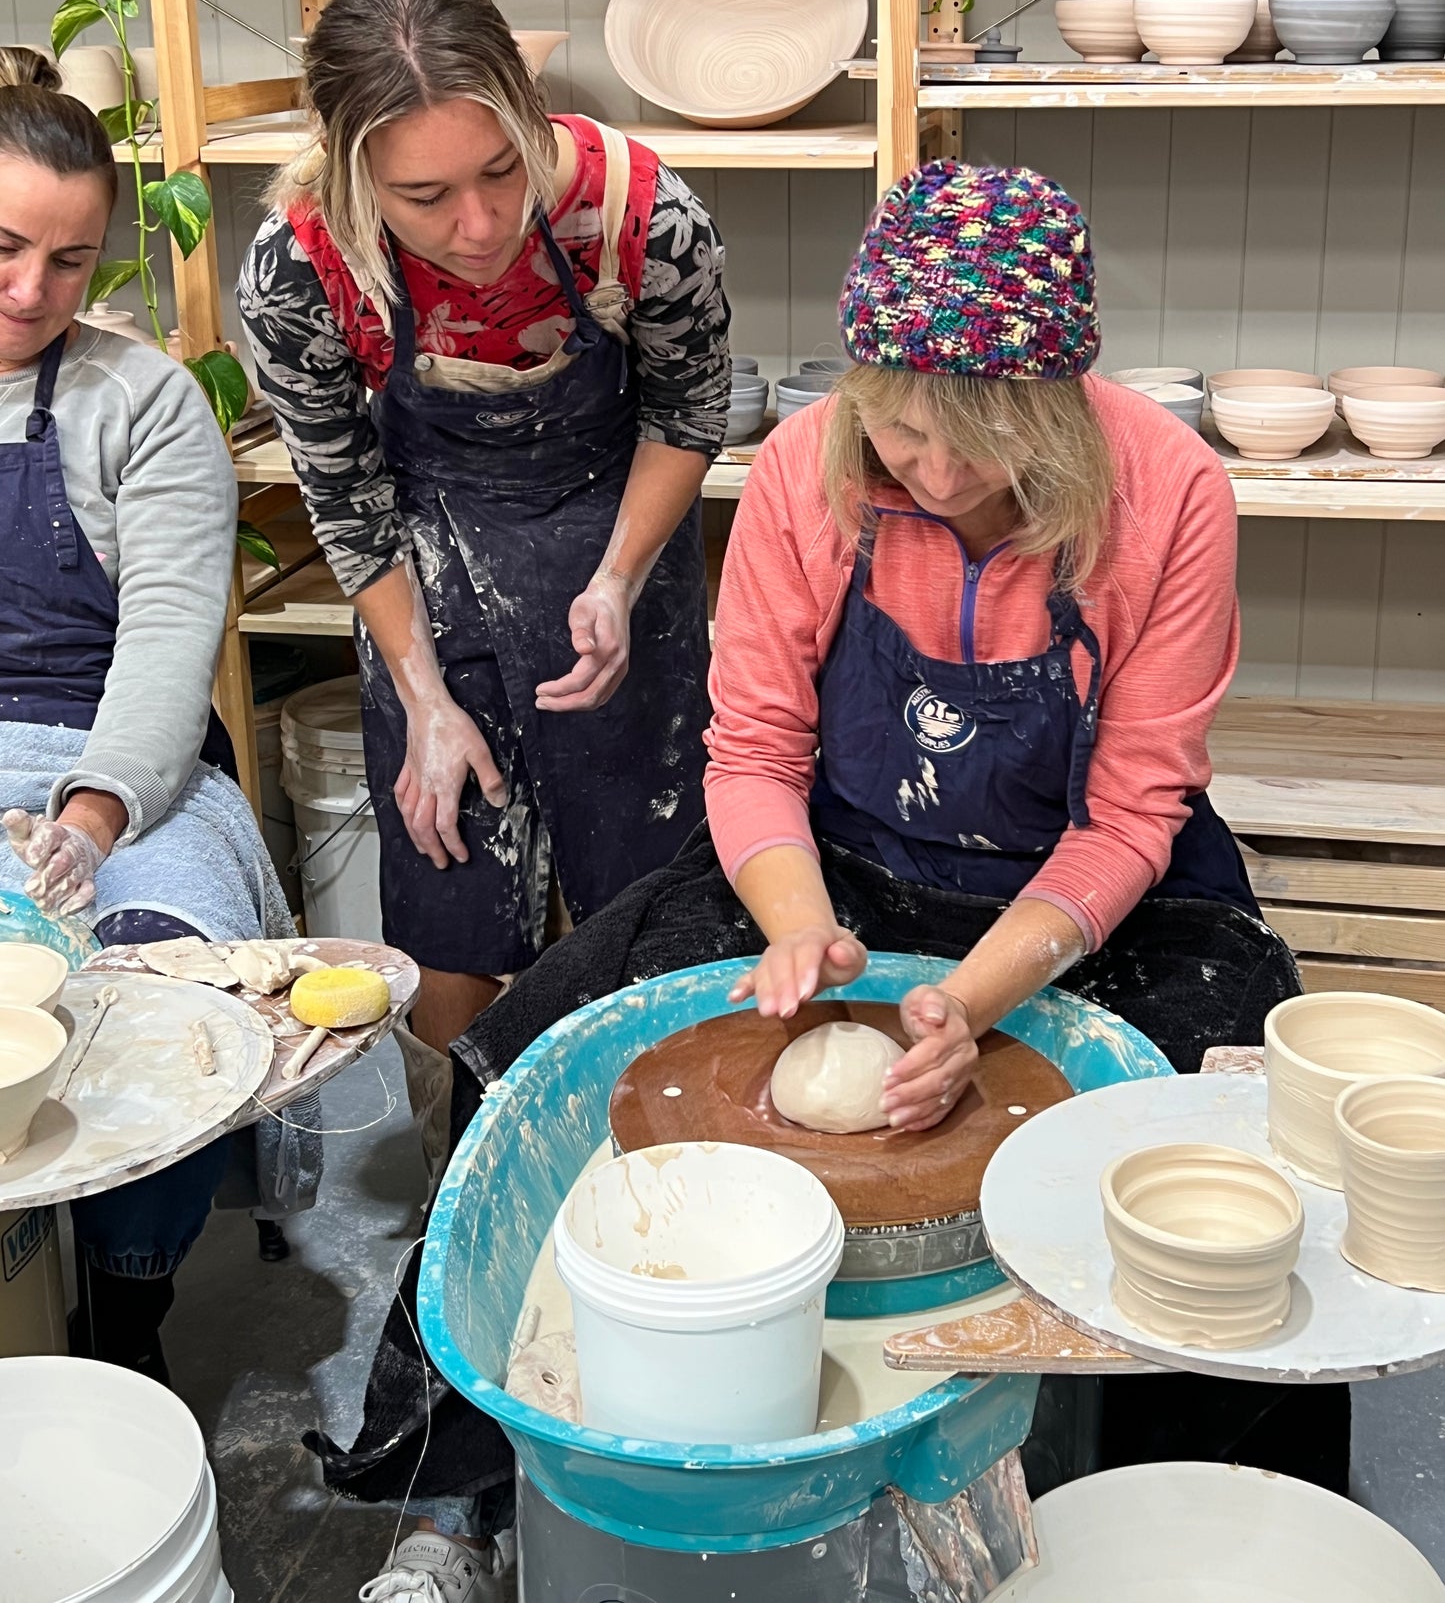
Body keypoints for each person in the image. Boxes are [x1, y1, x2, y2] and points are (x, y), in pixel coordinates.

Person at [316, 162, 1345, 1592]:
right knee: (521, 1048)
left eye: (970, 449)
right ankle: (453, 1506)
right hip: (839, 855)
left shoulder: (1167, 492)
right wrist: (798, 927)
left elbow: (1133, 812)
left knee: (1238, 1160)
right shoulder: (811, 465)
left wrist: (974, 999)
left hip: (1091, 884)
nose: (925, 473)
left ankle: (1195, 1525)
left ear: (1053, 413)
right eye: (901, 432)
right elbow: (751, 750)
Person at [236, 0, 729, 1097]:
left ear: (525, 110)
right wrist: (423, 697)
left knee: (642, 888)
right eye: (424, 197)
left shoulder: (640, 214)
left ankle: (643, 1140)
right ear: (352, 170)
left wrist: (613, 580)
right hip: (426, 560)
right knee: (452, 882)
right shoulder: (302, 269)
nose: (480, 224)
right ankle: (466, 1165)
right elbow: (344, 496)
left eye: (502, 170)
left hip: (621, 540)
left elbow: (688, 411)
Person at [0, 48, 298, 1382]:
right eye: (6, 248)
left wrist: (92, 811)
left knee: (165, 967)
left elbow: (173, 634)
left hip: (125, 759)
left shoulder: (142, 400)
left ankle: (128, 1300)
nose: (32, 291)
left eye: (69, 262)